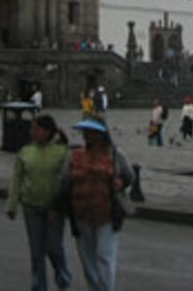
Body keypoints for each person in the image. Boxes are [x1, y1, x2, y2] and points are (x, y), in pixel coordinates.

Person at [58, 117, 134, 291]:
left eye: (93, 133)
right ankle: (94, 287)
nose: (89, 136)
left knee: (105, 256)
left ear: (102, 134)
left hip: (106, 213)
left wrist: (121, 183)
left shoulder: (115, 154)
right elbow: (64, 181)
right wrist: (58, 207)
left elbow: (129, 176)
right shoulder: (76, 155)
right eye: (86, 133)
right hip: (80, 212)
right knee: (87, 257)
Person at [7, 114, 73, 291]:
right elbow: (17, 178)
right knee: (36, 251)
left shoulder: (62, 152)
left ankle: (62, 273)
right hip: (31, 206)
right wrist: (12, 204)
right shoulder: (26, 151)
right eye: (32, 129)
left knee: (54, 247)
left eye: (36, 128)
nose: (32, 132)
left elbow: (65, 182)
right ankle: (38, 286)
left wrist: (58, 207)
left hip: (54, 209)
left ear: (48, 131)